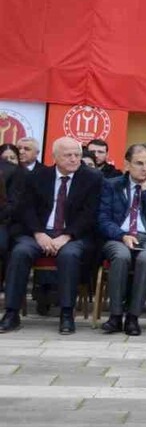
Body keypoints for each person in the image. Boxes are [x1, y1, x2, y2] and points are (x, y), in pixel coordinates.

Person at [1, 137, 103, 334]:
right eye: (68, 155)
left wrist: (66, 236)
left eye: (77, 155)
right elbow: (26, 209)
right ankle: (11, 313)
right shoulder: (37, 177)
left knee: (69, 255)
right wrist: (39, 234)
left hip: (73, 235)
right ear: (54, 157)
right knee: (20, 251)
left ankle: (66, 313)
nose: (74, 159)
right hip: (39, 232)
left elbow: (89, 214)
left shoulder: (92, 178)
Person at [97, 144, 146, 336]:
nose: (145, 168)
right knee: (121, 256)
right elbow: (103, 219)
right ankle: (115, 316)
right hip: (119, 236)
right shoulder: (112, 185)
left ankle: (133, 317)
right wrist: (122, 235)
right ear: (127, 164)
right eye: (139, 163)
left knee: (145, 258)